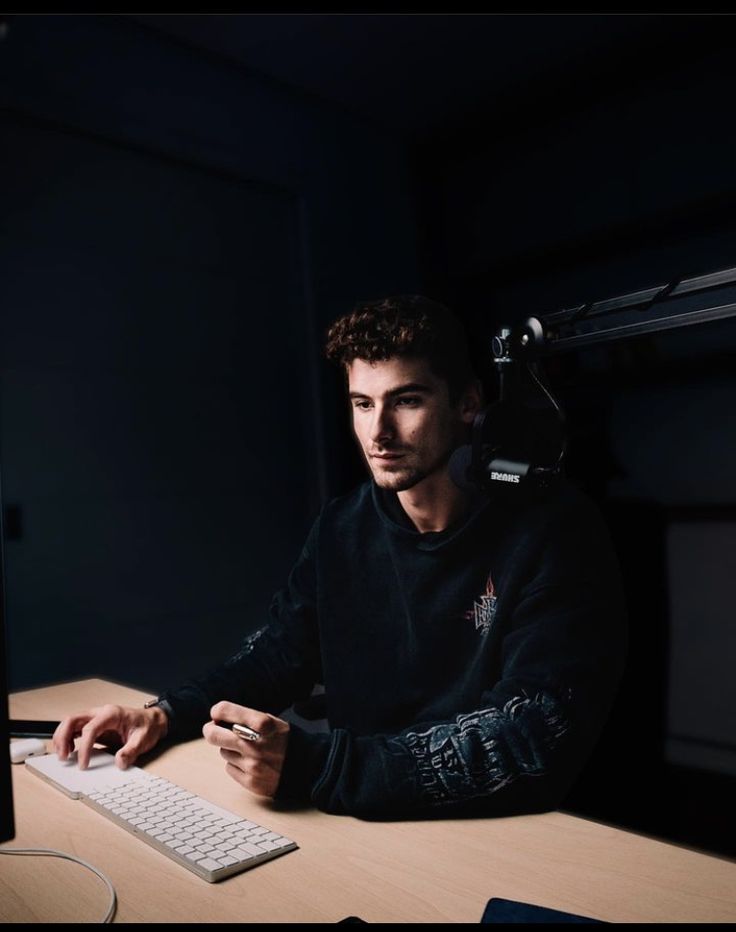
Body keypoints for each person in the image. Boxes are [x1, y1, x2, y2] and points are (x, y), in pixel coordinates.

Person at [53, 296, 626, 819]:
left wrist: (320, 768)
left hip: (504, 830)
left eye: (406, 401)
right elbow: (278, 655)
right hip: (361, 822)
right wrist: (162, 716)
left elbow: (528, 736)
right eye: (361, 403)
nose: (378, 432)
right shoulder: (342, 528)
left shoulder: (553, 529)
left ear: (468, 404)